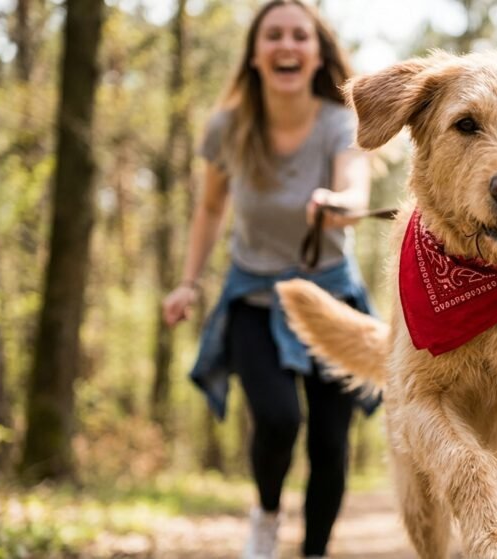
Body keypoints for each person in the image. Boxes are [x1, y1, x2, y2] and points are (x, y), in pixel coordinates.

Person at [161, 2, 378, 557]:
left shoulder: (339, 121)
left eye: (299, 36)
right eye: (274, 36)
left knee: (331, 441)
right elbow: (210, 210)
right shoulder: (228, 128)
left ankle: (315, 551)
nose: (287, 45)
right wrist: (188, 282)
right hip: (255, 296)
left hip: (332, 300)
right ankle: (265, 514)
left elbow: (356, 193)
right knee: (279, 420)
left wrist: (337, 204)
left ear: (317, 52)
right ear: (256, 54)